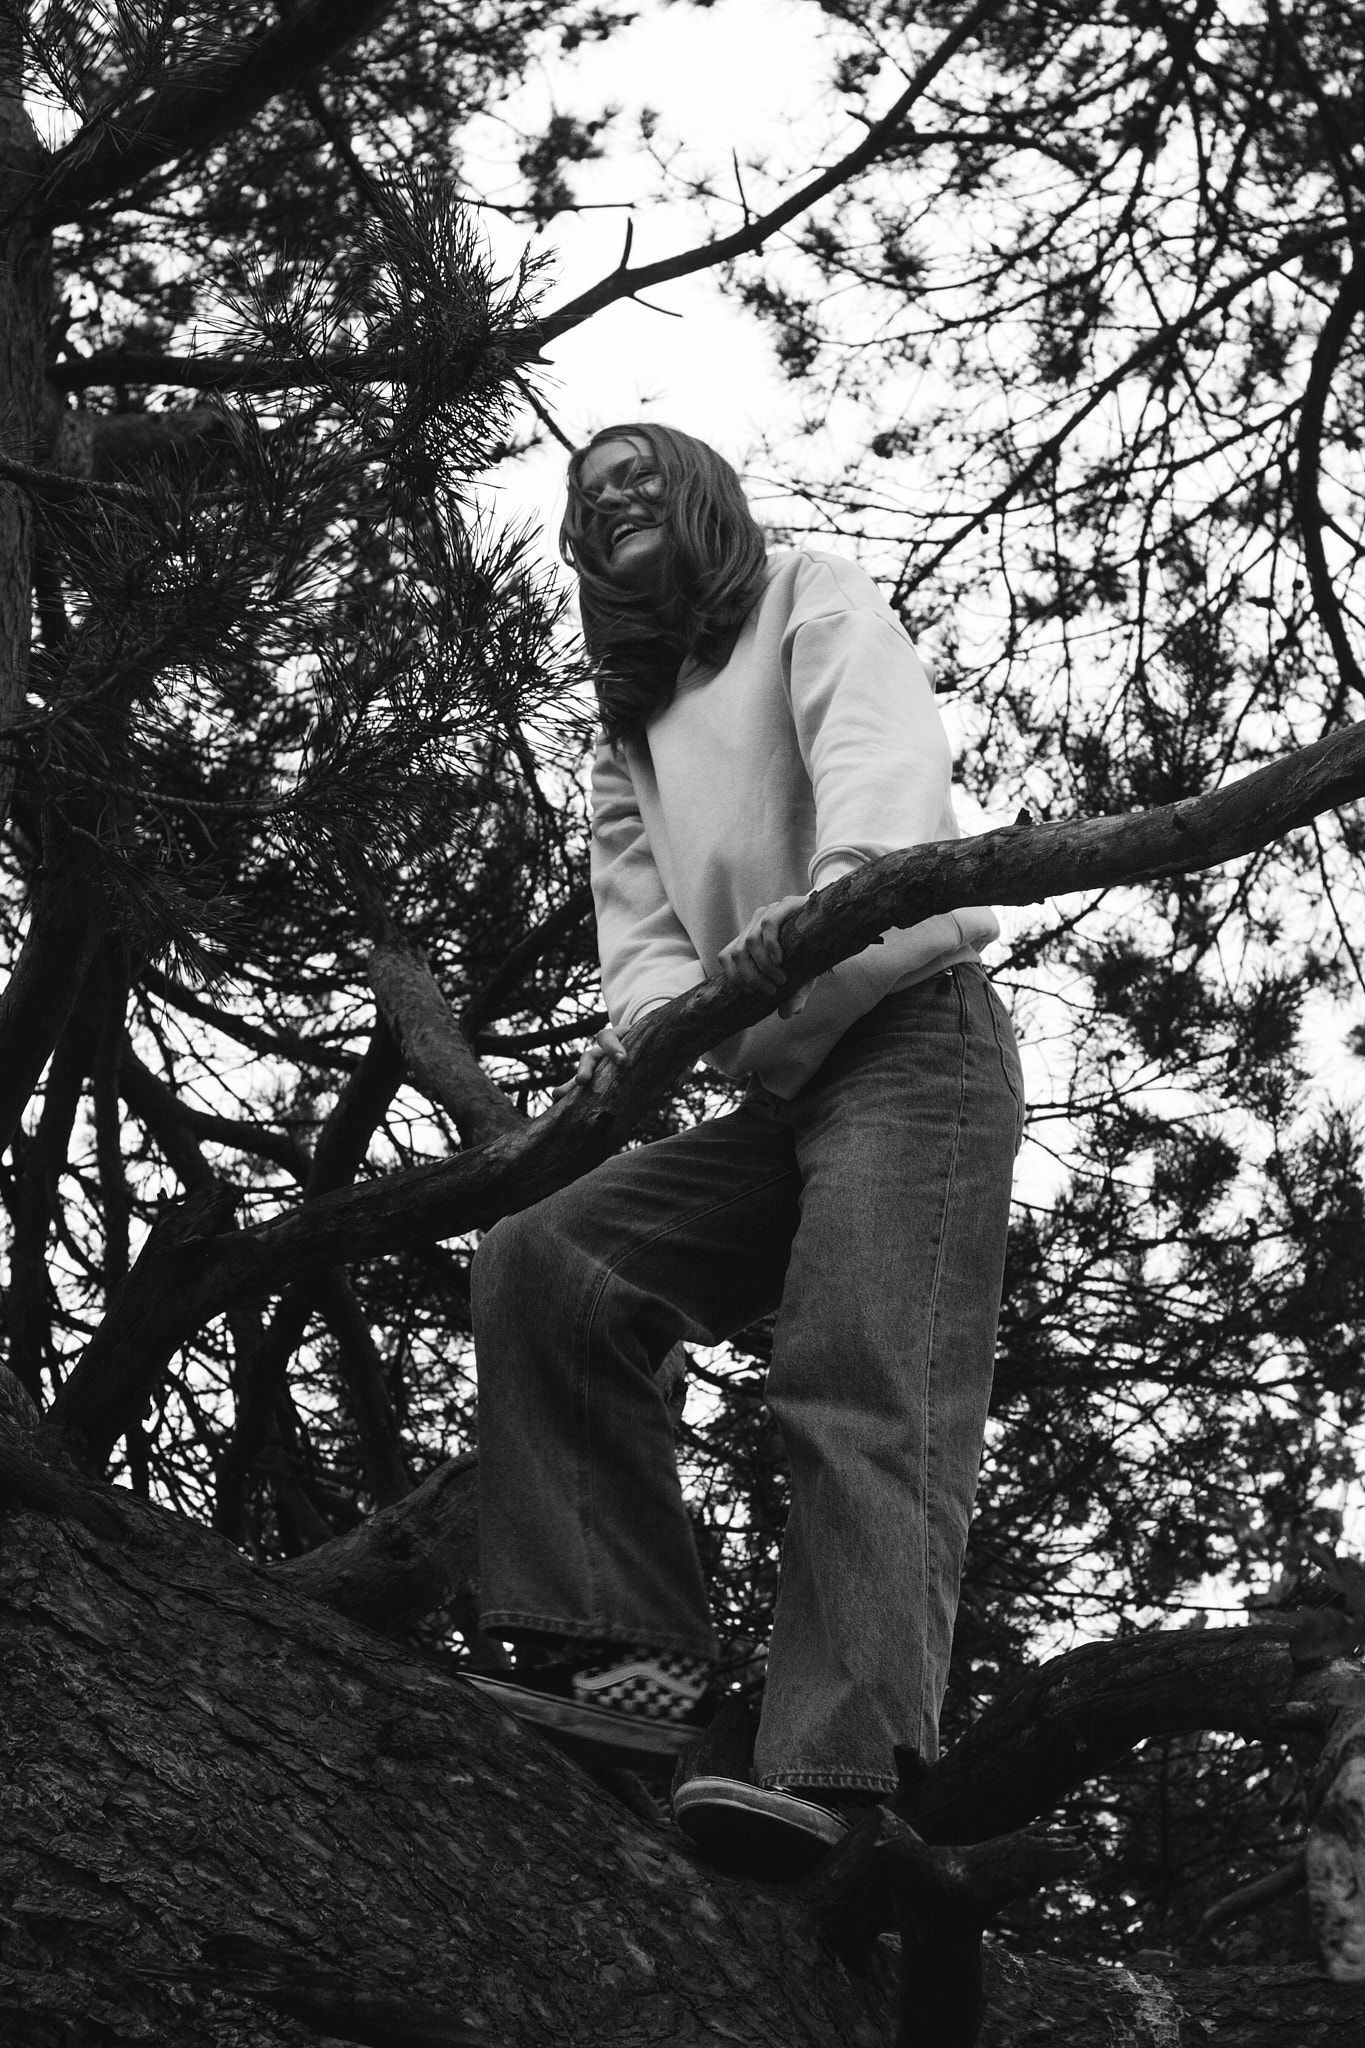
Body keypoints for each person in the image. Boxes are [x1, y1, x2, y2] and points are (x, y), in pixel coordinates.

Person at [465, 423, 1024, 1873]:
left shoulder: (805, 594)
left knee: (858, 1376)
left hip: (914, 1041)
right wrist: (659, 1029)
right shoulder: (630, 738)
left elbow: (875, 754)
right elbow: (645, 944)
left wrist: (837, 897)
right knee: (551, 1261)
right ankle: (625, 1668)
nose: (615, 495)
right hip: (783, 1091)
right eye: (590, 495)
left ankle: (842, 1781)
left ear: (706, 497)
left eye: (640, 471)